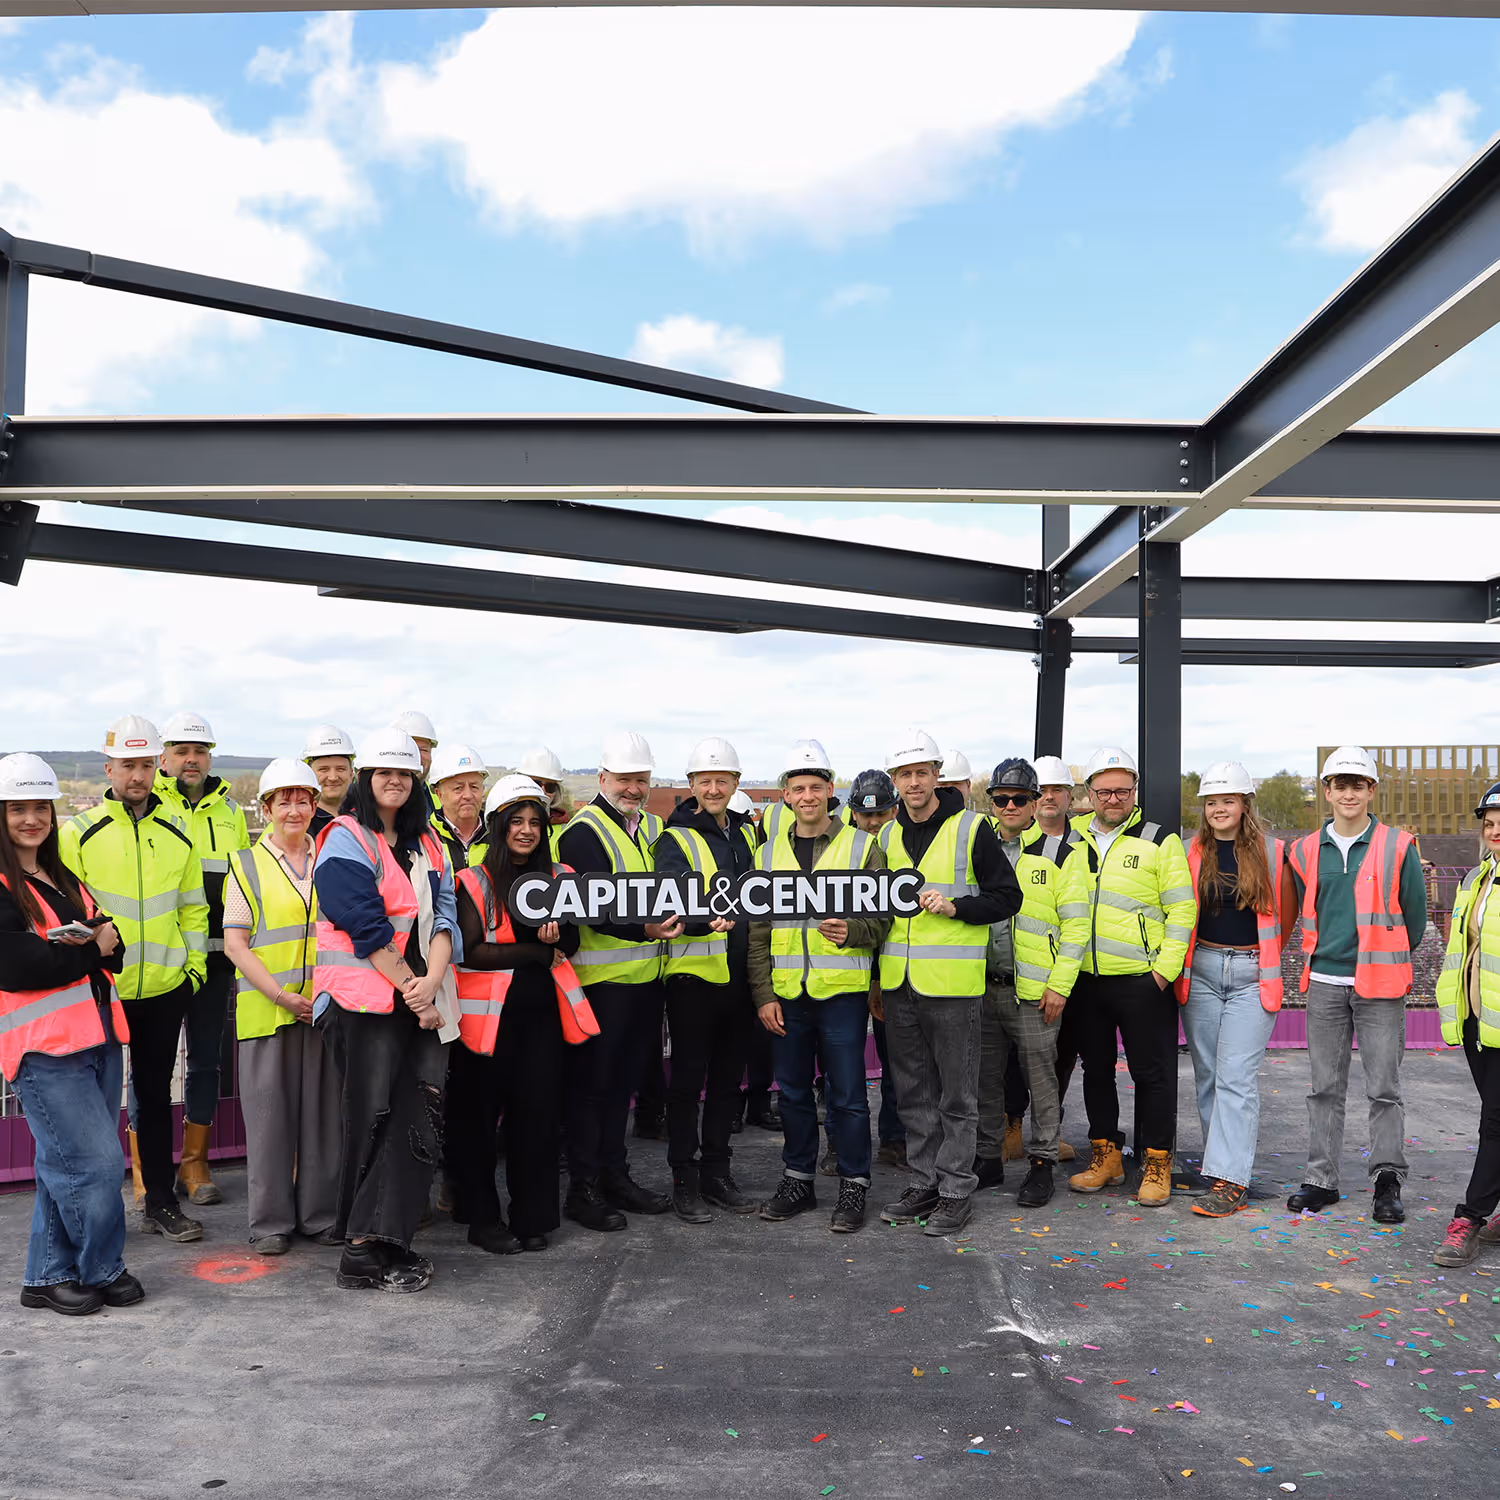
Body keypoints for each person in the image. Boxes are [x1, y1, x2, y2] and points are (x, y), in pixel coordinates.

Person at [312, 728, 459, 1293]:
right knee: (372, 1119)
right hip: (365, 1007)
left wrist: (433, 983)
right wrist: (413, 990)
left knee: (419, 1116)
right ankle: (359, 1248)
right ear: (365, 781)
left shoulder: (430, 845)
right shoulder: (345, 839)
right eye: (382, 773)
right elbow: (363, 922)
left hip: (419, 1002)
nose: (394, 781)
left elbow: (445, 918)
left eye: (403, 773)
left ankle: (391, 1240)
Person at [1, 753, 142, 1316]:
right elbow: (19, 967)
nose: (32, 818)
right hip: (44, 1048)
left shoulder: (61, 879)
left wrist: (80, 948)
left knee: (65, 1164)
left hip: (98, 1036)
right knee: (97, 1164)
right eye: (17, 809)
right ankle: (100, 1268)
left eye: (41, 807)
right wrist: (89, 950)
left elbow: (117, 946)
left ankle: (46, 1276)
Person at [61, 715, 209, 1244]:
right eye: (128, 765)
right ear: (109, 768)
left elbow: (194, 910)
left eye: (146, 765)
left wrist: (192, 970)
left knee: (153, 1096)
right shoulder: (78, 834)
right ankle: (93, 1215)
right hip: (102, 992)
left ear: (157, 766)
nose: (138, 775)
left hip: (166, 989)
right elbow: (64, 913)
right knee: (94, 1103)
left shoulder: (178, 832)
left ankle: (162, 1204)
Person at [447, 774, 593, 1255]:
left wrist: (556, 940)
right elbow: (470, 951)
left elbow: (571, 942)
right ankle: (482, 1219)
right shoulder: (473, 880)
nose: (527, 830)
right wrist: (535, 951)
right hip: (483, 1027)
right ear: (498, 825)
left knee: (537, 1121)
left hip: (541, 1022)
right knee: (477, 1125)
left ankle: (533, 1218)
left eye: (535, 821)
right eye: (516, 821)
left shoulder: (562, 877)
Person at [751, 739, 889, 1234]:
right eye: (798, 788)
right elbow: (759, 932)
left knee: (848, 1096)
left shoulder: (862, 847)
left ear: (831, 791)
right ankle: (798, 1182)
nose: (807, 796)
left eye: (816, 787)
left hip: (841, 995)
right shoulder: (766, 854)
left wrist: (852, 931)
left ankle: (854, 1186)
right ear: (786, 795)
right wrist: (764, 993)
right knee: (790, 1094)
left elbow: (884, 919)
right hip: (787, 994)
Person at [1285, 746, 1427, 1224]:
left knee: (1384, 1087)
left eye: (1357, 784)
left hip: (1380, 985)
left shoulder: (1398, 845)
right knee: (1324, 1086)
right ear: (1326, 792)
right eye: (1339, 785)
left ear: (1371, 791)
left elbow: (1415, 919)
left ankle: (1387, 1181)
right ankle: (1320, 1180)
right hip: (1325, 982)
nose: (1348, 792)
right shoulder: (1304, 850)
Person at [1065, 747, 1195, 1208]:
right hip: (1086, 979)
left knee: (1152, 1074)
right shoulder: (1071, 837)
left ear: (1134, 791)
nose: (1114, 798)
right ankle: (1107, 1156)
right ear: (1090, 794)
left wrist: (1164, 971)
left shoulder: (1161, 840)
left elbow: (1182, 907)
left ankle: (1157, 1161)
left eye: (1122, 789)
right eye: (1104, 790)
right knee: (1096, 1071)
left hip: (1142, 981)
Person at [556, 731, 676, 1231]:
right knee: (593, 1090)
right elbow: (589, 906)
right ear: (603, 777)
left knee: (622, 1088)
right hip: (601, 986)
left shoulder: (650, 826)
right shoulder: (582, 833)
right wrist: (642, 928)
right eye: (624, 778)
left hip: (645, 981)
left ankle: (614, 1175)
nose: (633, 787)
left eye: (641, 779)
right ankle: (584, 1189)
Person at [223, 759, 341, 1255]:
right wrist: (280, 995)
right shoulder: (245, 864)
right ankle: (270, 1223)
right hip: (268, 1009)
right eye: (283, 800)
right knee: (270, 1121)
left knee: (324, 1118)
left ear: (315, 805)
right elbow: (235, 943)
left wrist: (319, 996)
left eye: (303, 800)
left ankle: (321, 1216)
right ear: (266, 807)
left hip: (326, 1007)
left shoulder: (333, 859)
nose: (294, 809)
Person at [1176, 762, 1296, 1218]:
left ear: (1244, 804)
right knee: (1208, 1077)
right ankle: (1221, 1172)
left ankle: (1231, 1180)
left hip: (1250, 975)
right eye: (1211, 802)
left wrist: (1258, 960)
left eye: (1227, 800)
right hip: (1202, 970)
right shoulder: (1191, 852)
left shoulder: (1272, 853)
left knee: (1236, 1079)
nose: (1218, 809)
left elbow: (1283, 919)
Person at [652, 738, 761, 1223]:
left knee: (726, 1084)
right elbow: (671, 900)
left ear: (736, 784)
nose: (714, 788)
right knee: (689, 1083)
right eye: (705, 781)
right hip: (693, 979)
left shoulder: (746, 834)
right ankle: (684, 1179)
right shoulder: (674, 838)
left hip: (739, 978)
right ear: (691, 786)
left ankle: (717, 1174)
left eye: (722, 780)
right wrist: (702, 921)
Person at [973, 757, 1088, 1209]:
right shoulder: (977, 849)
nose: (1009, 806)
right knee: (985, 1080)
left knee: (1041, 1081)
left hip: (1036, 991)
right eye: (1001, 799)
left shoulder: (1062, 854)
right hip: (982, 986)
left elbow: (1076, 928)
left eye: (1020, 798)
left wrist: (1059, 985)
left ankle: (1042, 1162)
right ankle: (988, 1158)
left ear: (1037, 801)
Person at [154, 710, 250, 1210]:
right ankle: (150, 1171)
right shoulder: (151, 805)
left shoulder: (231, 812)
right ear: (164, 757)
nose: (191, 760)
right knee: (151, 1066)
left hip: (214, 959)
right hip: (161, 961)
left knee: (207, 1062)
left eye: (200, 751)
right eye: (181, 751)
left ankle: (195, 1164)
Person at [1433, 781, 1500, 1265]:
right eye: (1490, 824)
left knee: (1496, 1121)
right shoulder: (1476, 879)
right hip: (1480, 1017)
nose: (1495, 832)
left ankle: (1470, 1218)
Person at [846, 767, 906, 1168]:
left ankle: (894, 1139)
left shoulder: (903, 849)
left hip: (894, 970)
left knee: (897, 1064)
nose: (872, 822)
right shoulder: (842, 851)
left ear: (895, 810)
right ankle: (844, 1145)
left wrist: (882, 980)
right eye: (865, 815)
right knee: (844, 1069)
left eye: (881, 814)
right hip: (846, 972)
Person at [1028, 754, 1080, 1162]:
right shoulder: (1009, 839)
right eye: (1042, 790)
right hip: (1026, 973)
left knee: (1061, 1058)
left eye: (1056, 790)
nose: (1049, 797)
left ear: (1069, 796)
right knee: (1015, 1063)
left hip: (1074, 968)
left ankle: (1050, 1131)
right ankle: (1012, 1129)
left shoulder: (1084, 845)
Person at [429, 743, 491, 870]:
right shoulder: (425, 838)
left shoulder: (499, 835)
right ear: (439, 794)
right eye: (458, 788)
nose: (468, 795)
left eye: (474, 787)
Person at [516, 746, 571, 858]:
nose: (543, 791)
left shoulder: (568, 831)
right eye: (535, 783)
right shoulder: (502, 824)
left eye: (550, 787)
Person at [305, 725, 357, 839]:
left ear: (351, 774)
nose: (333, 777)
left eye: (340, 769)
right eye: (324, 769)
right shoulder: (300, 824)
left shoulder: (368, 818)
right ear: (309, 774)